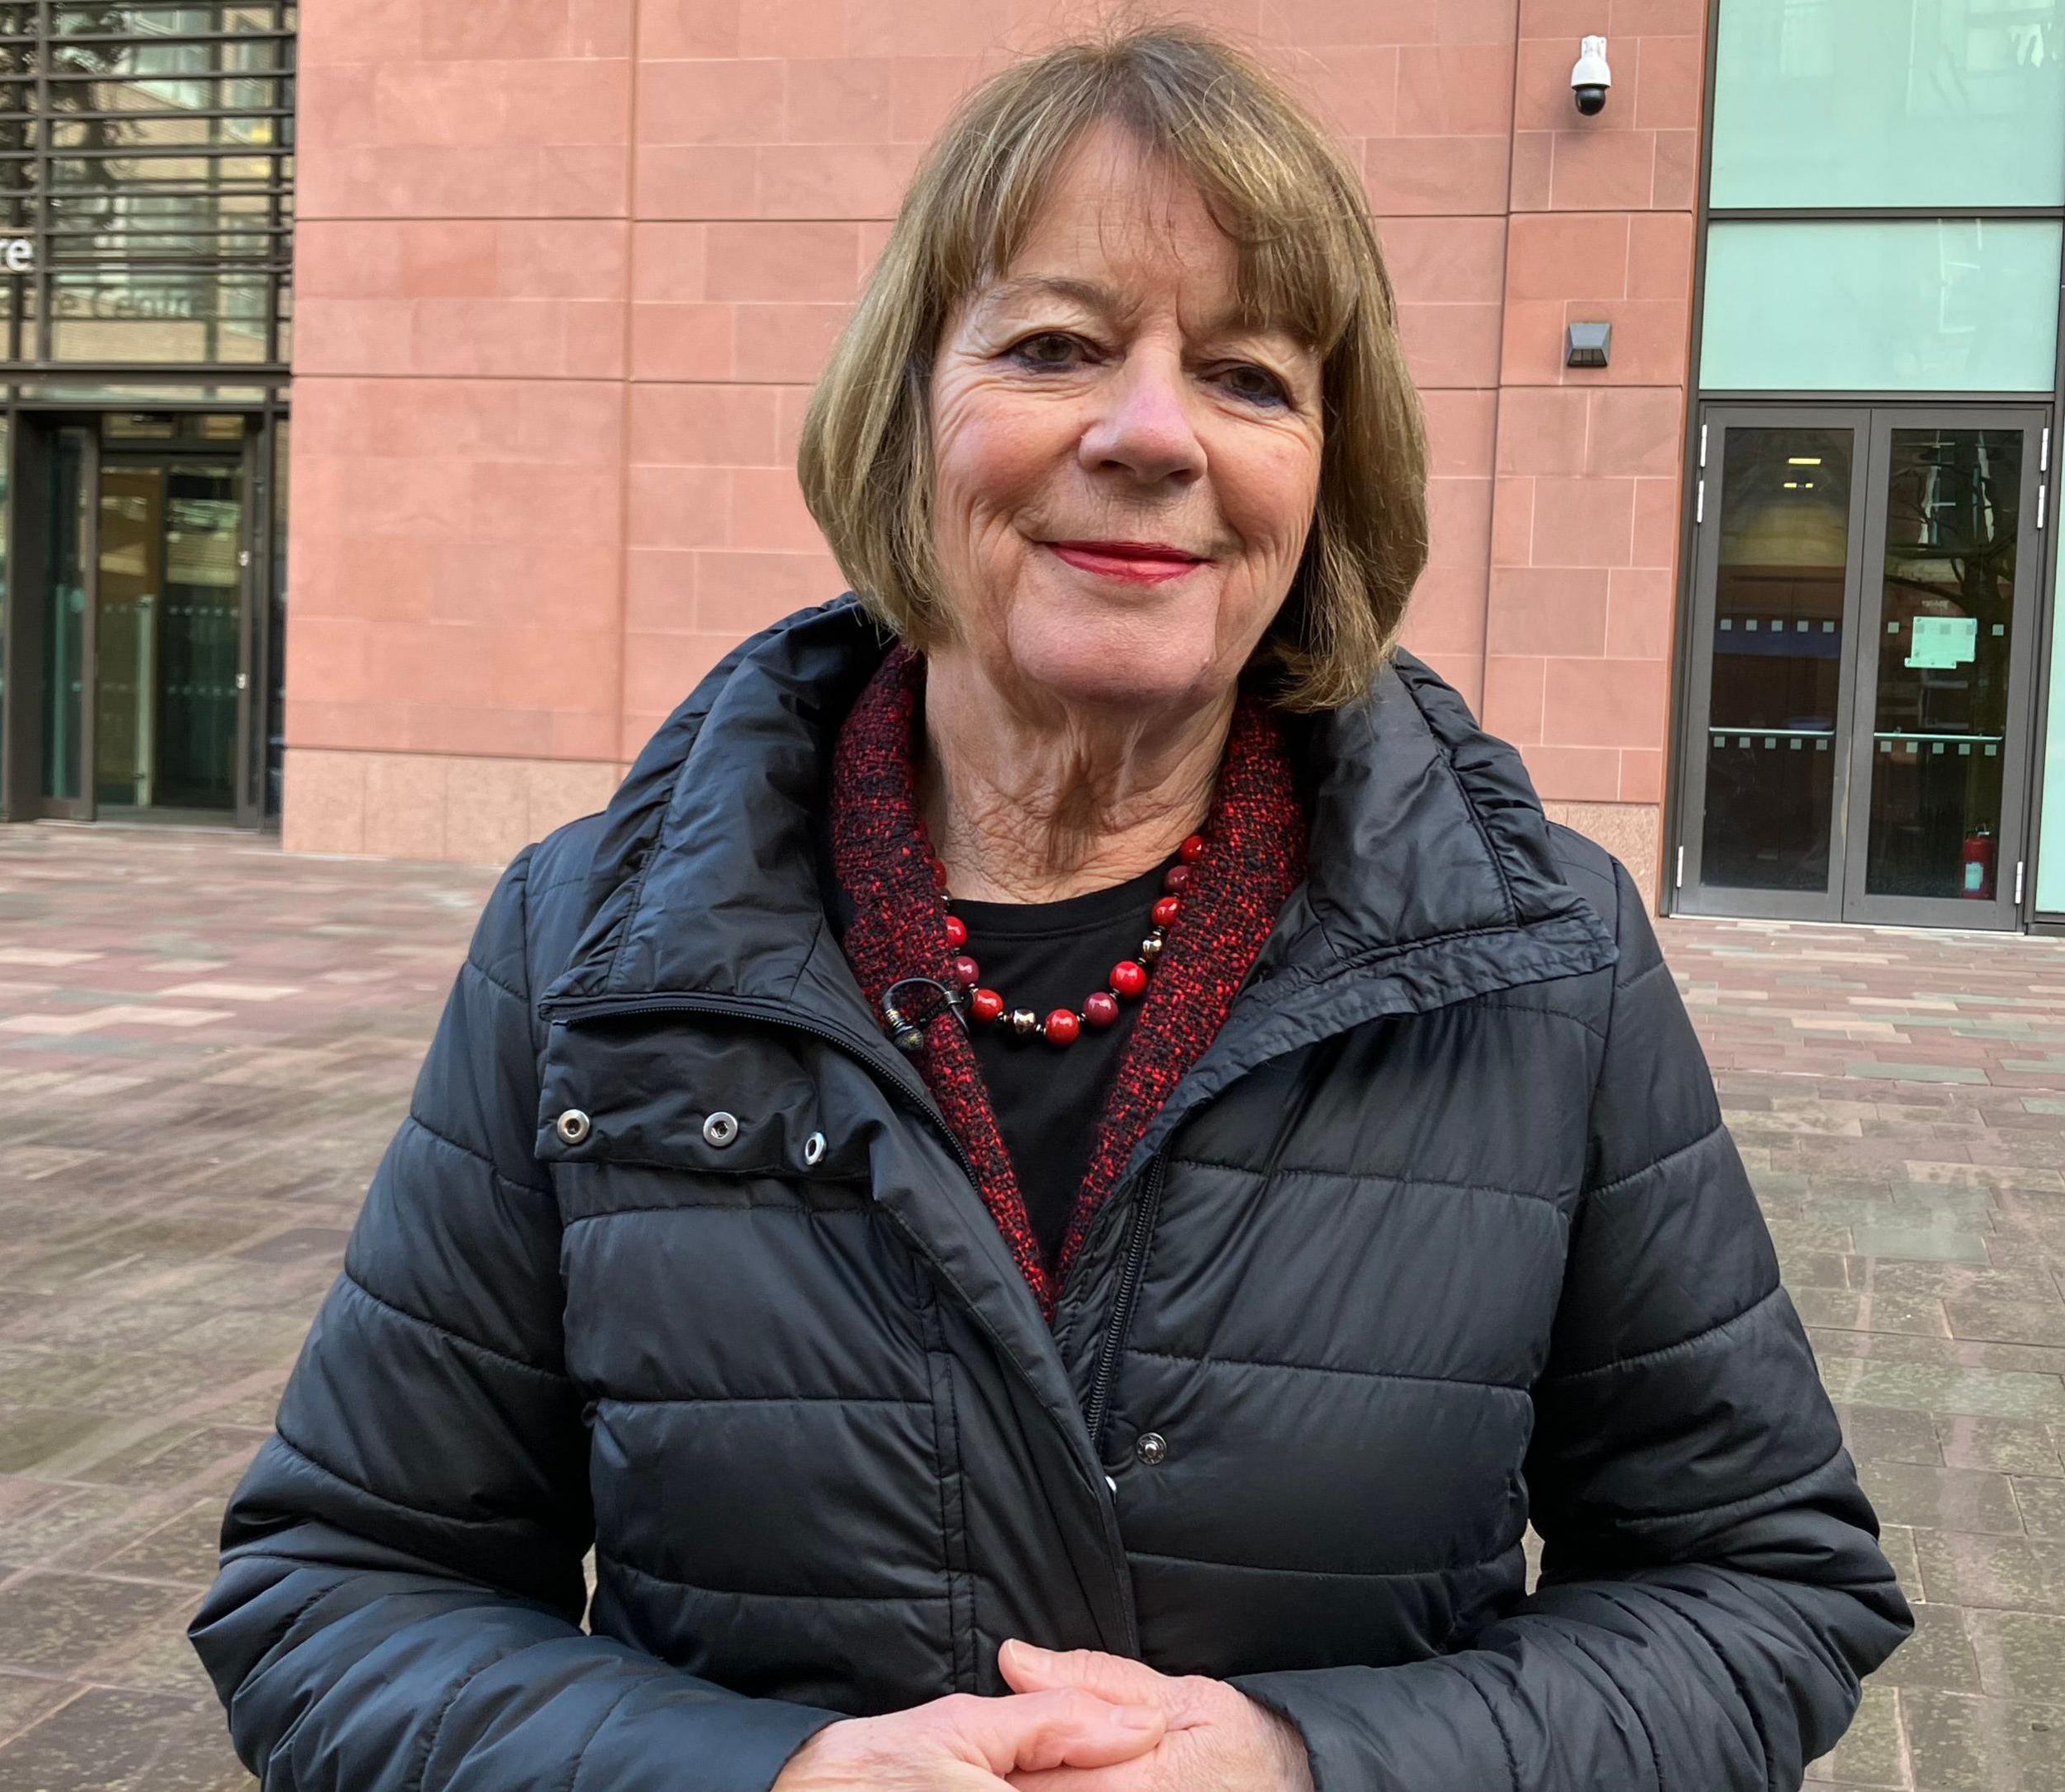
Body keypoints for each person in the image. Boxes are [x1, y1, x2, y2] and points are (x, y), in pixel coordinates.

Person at [193, 25, 1909, 1792]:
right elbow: (338, 1597)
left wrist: (1320, 1767)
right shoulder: (592, 946)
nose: (1153, 434)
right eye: (1055, 346)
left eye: (1249, 377)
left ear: (1327, 482)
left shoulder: (1547, 957)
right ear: (904, 413)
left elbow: (1761, 1588)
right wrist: (767, 1783)